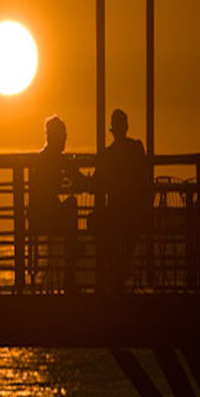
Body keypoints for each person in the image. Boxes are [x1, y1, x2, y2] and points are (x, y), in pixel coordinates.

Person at [88, 109, 148, 293]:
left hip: (116, 214)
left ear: (111, 130)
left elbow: (95, 184)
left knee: (95, 222)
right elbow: (144, 179)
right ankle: (121, 266)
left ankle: (115, 266)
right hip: (136, 213)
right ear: (126, 127)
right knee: (125, 232)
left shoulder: (108, 154)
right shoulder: (137, 148)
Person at [28, 115, 85, 292]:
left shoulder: (43, 158)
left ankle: (71, 259)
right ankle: (70, 264)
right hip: (47, 216)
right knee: (71, 205)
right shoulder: (55, 159)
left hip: (38, 216)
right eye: (63, 136)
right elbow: (73, 179)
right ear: (56, 137)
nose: (65, 139)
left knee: (69, 207)